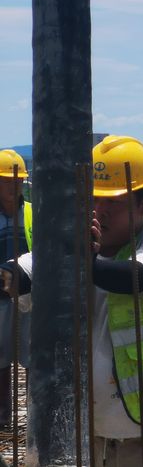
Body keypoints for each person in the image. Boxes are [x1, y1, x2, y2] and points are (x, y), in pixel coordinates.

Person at [1, 136, 143, 466]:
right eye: (94, 199)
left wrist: (81, 259)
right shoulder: (76, 251)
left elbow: (132, 278)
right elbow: (23, 273)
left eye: (113, 202)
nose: (99, 210)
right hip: (88, 433)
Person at [0, 150, 32, 427]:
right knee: (0, 360)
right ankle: (2, 418)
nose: (14, 186)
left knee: (34, 358)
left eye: (18, 181)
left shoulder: (34, 212)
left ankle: (36, 415)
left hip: (29, 298)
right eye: (7, 181)